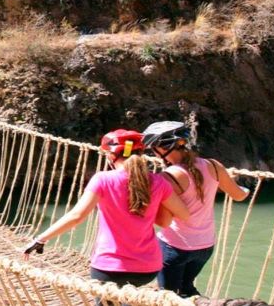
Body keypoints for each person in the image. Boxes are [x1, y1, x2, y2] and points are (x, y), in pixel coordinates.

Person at [23, 129, 190, 301]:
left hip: (110, 268)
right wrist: (154, 205)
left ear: (111, 156)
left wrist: (41, 239)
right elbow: (183, 214)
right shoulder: (158, 181)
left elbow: (77, 216)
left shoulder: (103, 179)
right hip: (148, 268)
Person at [142, 121, 250, 298]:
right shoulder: (214, 166)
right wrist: (244, 188)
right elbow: (239, 195)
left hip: (174, 247)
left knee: (169, 297)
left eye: (153, 148)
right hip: (205, 247)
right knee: (186, 288)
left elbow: (165, 221)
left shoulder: (168, 177)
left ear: (162, 149)